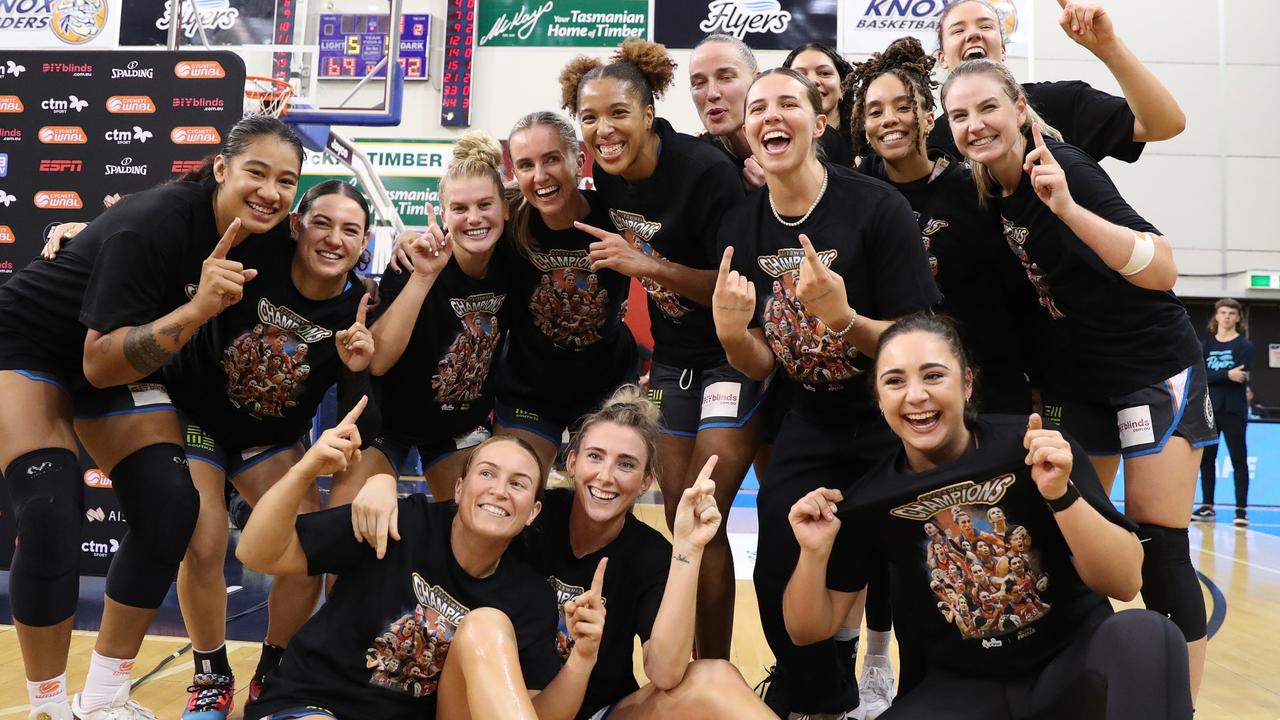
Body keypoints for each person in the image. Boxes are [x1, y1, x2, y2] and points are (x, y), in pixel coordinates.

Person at [0, 115, 303, 720]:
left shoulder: (269, 232)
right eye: (257, 172)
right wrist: (195, 307)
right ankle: (48, 706)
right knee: (53, 509)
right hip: (33, 345)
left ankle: (106, 698)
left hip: (120, 353)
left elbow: (332, 242)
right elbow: (98, 365)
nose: (272, 191)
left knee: (171, 505)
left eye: (287, 179)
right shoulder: (154, 223)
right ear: (221, 169)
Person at [941, 58, 1214, 702]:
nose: (976, 125)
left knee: (1159, 545)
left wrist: (1066, 207)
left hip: (1150, 368)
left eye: (988, 109)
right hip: (1076, 384)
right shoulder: (989, 191)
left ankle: (1177, 706)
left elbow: (1163, 268)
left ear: (1019, 108)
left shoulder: (1066, 170)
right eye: (959, 115)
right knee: (1074, 536)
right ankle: (1082, 692)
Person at [783, 313, 1192, 719]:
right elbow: (808, 630)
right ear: (878, 398)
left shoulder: (1034, 448)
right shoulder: (871, 498)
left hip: (1068, 669)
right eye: (895, 381)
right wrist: (812, 553)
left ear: (967, 383)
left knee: (1149, 635)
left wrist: (1061, 496)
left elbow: (1124, 582)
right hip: (962, 690)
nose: (915, 395)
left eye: (933, 376)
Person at [712, 68, 939, 718]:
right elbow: (759, 357)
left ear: (819, 124)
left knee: (907, 561)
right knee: (782, 549)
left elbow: (918, 341)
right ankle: (815, 696)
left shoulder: (875, 208)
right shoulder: (741, 223)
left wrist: (843, 320)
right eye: (759, 107)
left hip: (894, 416)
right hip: (809, 413)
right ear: (749, 129)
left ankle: (917, 691)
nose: (771, 115)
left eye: (788, 102)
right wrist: (732, 336)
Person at [353, 385, 781, 718]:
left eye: (626, 464)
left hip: (597, 710)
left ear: (647, 479)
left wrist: (688, 548)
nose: (607, 476)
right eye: (595, 456)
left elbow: (667, 673)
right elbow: (460, 514)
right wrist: (381, 481)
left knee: (714, 677)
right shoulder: (526, 517)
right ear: (571, 462)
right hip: (496, 702)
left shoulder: (650, 554)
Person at [560, 38, 762, 661]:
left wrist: (647, 264)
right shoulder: (606, 178)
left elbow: (736, 287)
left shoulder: (704, 172)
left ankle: (717, 670)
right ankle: (695, 667)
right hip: (674, 361)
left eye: (617, 112)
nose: (603, 129)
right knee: (683, 523)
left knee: (708, 512)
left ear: (649, 112)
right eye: (589, 118)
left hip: (732, 349)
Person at [158, 180, 379, 717]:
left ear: (365, 241)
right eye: (322, 223)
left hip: (269, 440)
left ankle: (275, 669)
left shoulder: (361, 304)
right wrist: (83, 229)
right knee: (203, 535)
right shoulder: (256, 253)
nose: (333, 238)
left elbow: (359, 406)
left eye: (349, 229)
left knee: (304, 545)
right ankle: (210, 675)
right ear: (297, 224)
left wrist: (355, 370)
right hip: (200, 419)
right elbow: (162, 230)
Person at [237, 405, 604, 720]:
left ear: (532, 512)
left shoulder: (527, 596)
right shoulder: (396, 520)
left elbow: (533, 711)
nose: (499, 490)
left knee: (488, 623)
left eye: (519, 484)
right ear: (459, 489)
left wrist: (582, 659)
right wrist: (305, 470)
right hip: (315, 703)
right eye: (488, 473)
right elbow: (256, 553)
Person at [842, 37, 1034, 414]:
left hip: (986, 382)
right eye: (875, 111)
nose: (890, 120)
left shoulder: (973, 188)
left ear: (930, 119)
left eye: (903, 106)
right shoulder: (857, 194)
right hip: (901, 388)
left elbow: (1016, 289)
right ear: (864, 126)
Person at [330, 131, 517, 507]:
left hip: (459, 426)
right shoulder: (415, 259)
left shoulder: (515, 262)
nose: (474, 218)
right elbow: (378, 361)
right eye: (460, 209)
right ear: (443, 213)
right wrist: (423, 276)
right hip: (388, 422)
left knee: (484, 516)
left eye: (485, 205)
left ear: (506, 208)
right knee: (343, 525)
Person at [491, 111, 639, 470]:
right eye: (526, 165)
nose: (540, 176)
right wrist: (407, 240)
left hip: (607, 388)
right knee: (514, 482)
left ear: (579, 161)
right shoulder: (507, 220)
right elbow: (458, 224)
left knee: (599, 495)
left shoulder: (617, 214)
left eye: (552, 159)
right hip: (529, 389)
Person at [930, 0, 1185, 162]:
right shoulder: (930, 143)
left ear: (1003, 51)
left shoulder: (1061, 102)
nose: (973, 34)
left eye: (985, 27)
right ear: (942, 58)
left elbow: (1166, 124)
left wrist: (1109, 47)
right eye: (958, 30)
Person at [1193, 298, 1254, 526]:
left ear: (1238, 318)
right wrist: (1226, 375)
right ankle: (1208, 506)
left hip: (1233, 410)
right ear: (1216, 317)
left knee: (1239, 459)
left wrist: (1219, 376)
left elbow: (1240, 376)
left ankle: (1241, 510)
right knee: (1207, 460)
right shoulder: (1205, 346)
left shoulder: (1244, 347)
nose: (1227, 316)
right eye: (1223, 312)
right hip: (1209, 410)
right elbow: (1200, 377)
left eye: (1231, 313)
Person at [689, 33, 766, 190]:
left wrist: (777, 192)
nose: (712, 94)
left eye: (726, 77)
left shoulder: (796, 148)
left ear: (757, 80)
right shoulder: (694, 160)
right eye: (699, 83)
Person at [783, 42, 854, 166]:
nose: (813, 81)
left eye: (824, 73)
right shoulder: (777, 141)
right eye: (800, 75)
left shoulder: (867, 140)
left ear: (842, 87)